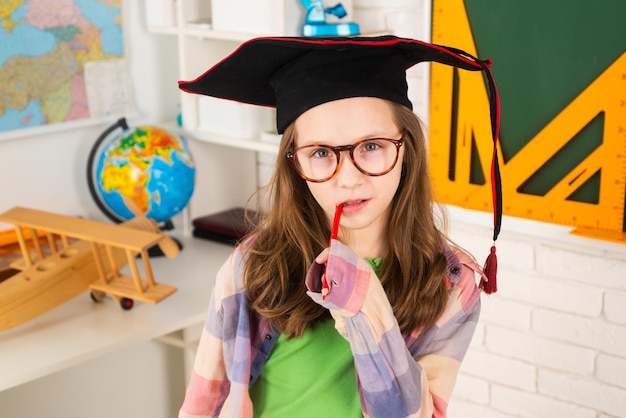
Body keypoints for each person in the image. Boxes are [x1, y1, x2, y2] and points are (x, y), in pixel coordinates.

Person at [177, 35, 502, 418]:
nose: (348, 179)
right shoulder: (252, 264)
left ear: (407, 149)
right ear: (295, 166)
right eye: (320, 152)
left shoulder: (452, 284)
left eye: (371, 146)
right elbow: (205, 403)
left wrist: (366, 306)